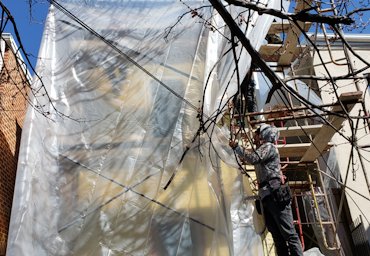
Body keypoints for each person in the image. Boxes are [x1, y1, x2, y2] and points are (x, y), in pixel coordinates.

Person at [229, 124, 303, 256]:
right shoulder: (263, 149)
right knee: (277, 236)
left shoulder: (268, 147)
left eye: (257, 133)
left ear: (263, 135)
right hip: (268, 195)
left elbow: (253, 158)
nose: (255, 135)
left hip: (274, 193)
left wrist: (236, 147)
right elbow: (253, 158)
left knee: (289, 234)